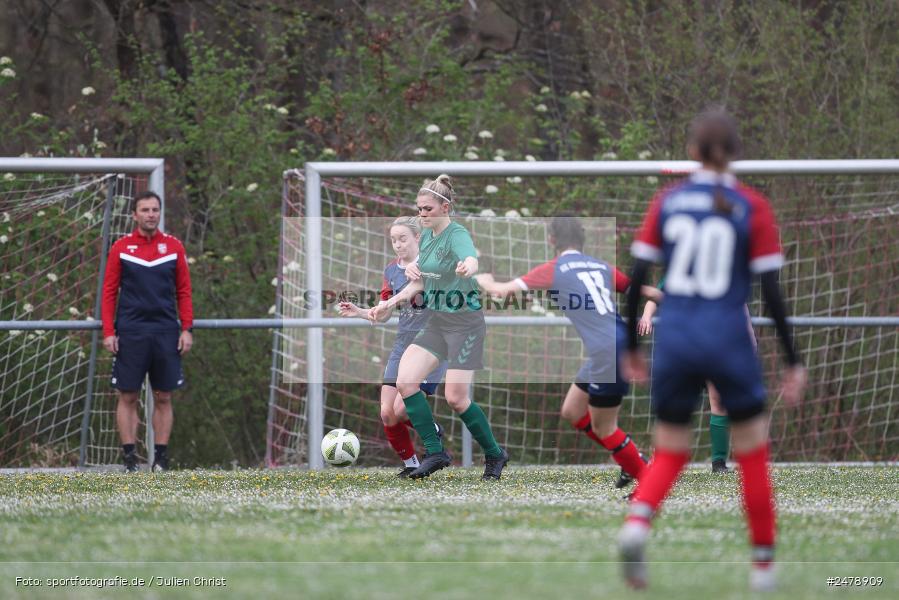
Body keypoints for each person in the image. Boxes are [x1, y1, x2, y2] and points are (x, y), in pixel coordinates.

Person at [618, 108, 806, 591]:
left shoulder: (669, 202)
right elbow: (772, 291)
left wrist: (631, 346)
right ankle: (763, 567)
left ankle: (637, 525)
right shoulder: (752, 205)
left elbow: (638, 278)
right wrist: (792, 360)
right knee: (753, 453)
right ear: (736, 153)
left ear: (692, 152)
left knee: (671, 449)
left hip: (677, 337)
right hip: (727, 336)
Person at [476, 216, 662, 489]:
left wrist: (482, 276)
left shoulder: (555, 268)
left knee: (605, 428)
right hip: (614, 344)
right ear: (581, 239)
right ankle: (632, 458)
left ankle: (647, 481)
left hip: (607, 350)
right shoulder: (600, 266)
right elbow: (650, 293)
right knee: (573, 411)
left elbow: (500, 292)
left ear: (552, 240)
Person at [370, 174, 509, 480]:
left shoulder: (455, 233)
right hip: (437, 323)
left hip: (465, 325)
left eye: (428, 209)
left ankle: (496, 454)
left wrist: (468, 266)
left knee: (456, 398)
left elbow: (470, 258)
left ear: (445, 207)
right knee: (405, 383)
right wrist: (389, 303)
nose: (422, 214)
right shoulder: (428, 239)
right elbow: (417, 283)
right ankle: (435, 453)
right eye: (419, 209)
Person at [338, 216, 448, 477]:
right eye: (393, 240)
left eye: (403, 239)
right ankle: (410, 464)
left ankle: (432, 433)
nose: (398, 245)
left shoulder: (431, 263)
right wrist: (361, 312)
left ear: (417, 238)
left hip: (430, 343)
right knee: (388, 414)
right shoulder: (391, 271)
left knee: (402, 408)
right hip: (403, 344)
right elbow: (384, 313)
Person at [101, 190, 193, 472]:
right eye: (145, 210)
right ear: (134, 214)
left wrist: (186, 328)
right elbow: (108, 292)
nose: (151, 214)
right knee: (128, 396)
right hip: (131, 331)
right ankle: (130, 459)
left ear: (159, 213)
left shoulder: (174, 247)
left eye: (155, 210)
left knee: (163, 396)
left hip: (166, 331)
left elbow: (184, 291)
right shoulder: (121, 247)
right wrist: (108, 330)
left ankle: (160, 460)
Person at [639, 279, 757, 473]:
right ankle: (661, 461)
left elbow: (740, 306)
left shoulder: (724, 273)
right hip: (682, 346)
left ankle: (718, 462)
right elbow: (655, 296)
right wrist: (646, 316)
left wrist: (750, 337)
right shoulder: (680, 269)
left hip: (716, 344)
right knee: (673, 406)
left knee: (718, 399)